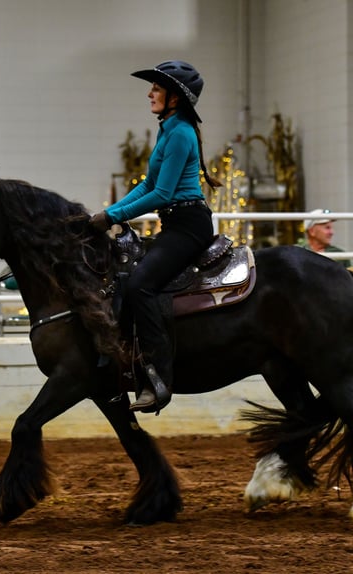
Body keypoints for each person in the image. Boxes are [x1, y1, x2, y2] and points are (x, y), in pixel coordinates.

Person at [88, 60, 221, 413]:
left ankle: (159, 378)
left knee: (141, 285)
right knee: (128, 277)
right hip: (176, 224)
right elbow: (147, 184)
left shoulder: (179, 133)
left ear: (175, 96)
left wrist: (111, 216)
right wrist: (106, 214)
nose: (150, 93)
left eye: (157, 88)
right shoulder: (170, 128)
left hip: (188, 226)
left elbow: (162, 194)